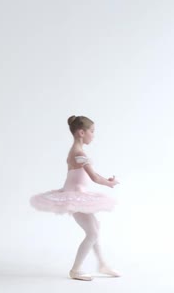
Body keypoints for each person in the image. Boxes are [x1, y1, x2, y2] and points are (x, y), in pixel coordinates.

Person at [30, 115, 121, 281]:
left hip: (78, 194)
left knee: (95, 228)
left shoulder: (77, 152)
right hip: (75, 197)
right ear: (81, 132)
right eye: (92, 131)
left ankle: (102, 264)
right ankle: (76, 269)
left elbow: (91, 173)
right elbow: (93, 177)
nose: (93, 135)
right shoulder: (78, 153)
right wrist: (109, 183)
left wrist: (106, 179)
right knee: (92, 233)